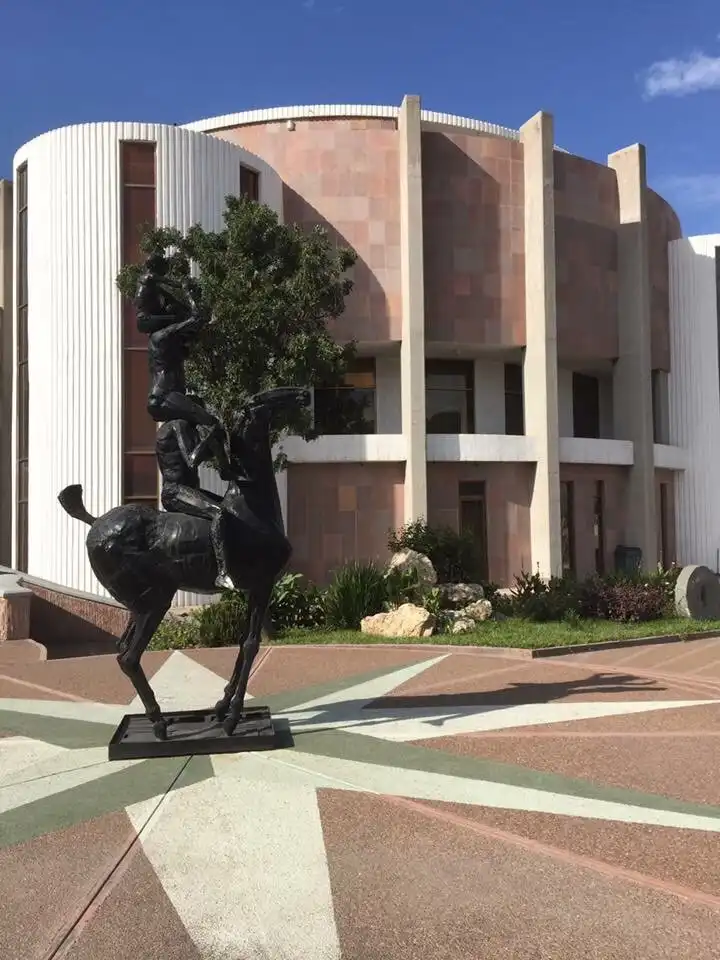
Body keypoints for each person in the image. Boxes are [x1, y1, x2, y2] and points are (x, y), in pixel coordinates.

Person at [134, 253, 221, 435]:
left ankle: (194, 454)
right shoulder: (165, 335)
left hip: (165, 396)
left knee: (198, 407)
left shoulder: (160, 339)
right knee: (212, 424)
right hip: (167, 396)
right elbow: (197, 318)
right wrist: (189, 294)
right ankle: (208, 459)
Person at [155, 412, 238, 591]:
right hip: (175, 492)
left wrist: (218, 446)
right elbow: (192, 460)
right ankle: (222, 573)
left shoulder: (190, 430)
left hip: (190, 491)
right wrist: (209, 437)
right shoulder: (178, 425)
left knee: (230, 510)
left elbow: (225, 472)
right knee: (219, 513)